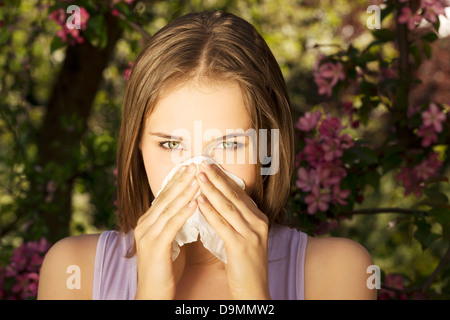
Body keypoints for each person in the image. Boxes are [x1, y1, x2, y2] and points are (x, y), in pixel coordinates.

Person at [37, 10, 377, 300]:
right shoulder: (73, 270)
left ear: (269, 148)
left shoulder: (337, 272)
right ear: (137, 147)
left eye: (228, 144)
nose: (198, 173)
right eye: (171, 145)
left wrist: (252, 295)